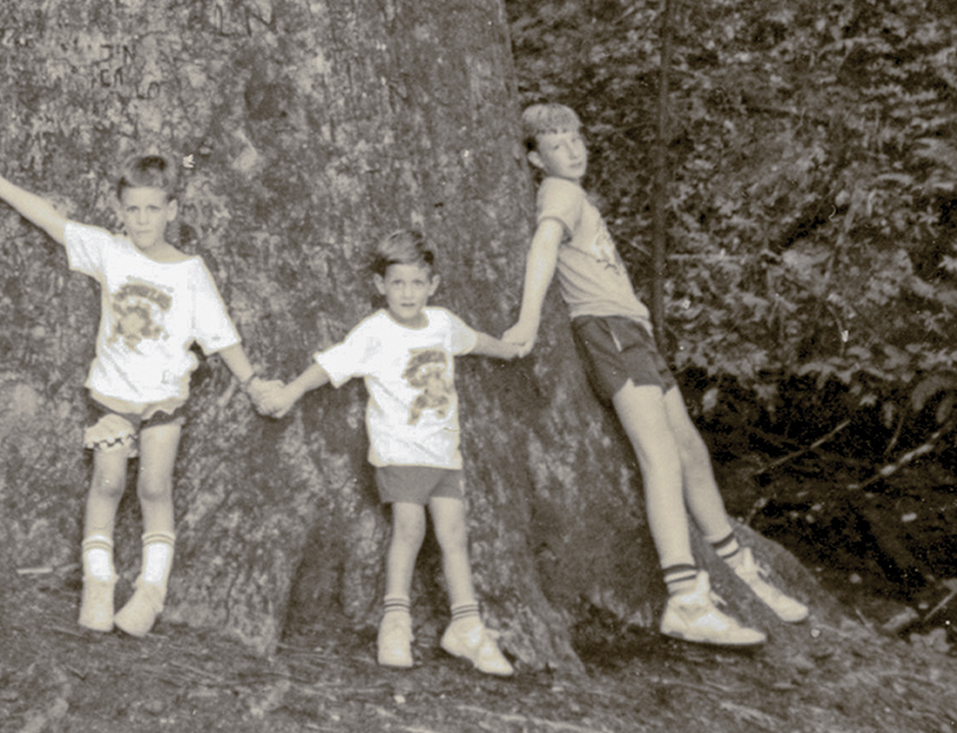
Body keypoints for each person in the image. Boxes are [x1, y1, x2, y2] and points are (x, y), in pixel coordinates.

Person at [503, 103, 807, 646]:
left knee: (690, 450)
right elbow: (544, 246)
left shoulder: (576, 194)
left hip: (632, 332)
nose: (572, 152)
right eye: (557, 146)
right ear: (535, 157)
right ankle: (686, 599)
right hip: (609, 333)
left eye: (576, 140)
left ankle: (737, 567)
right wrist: (527, 321)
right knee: (660, 455)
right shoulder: (560, 193)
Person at [0, 153, 271, 637]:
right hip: (113, 398)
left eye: (152, 209)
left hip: (163, 403)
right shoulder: (110, 251)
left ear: (172, 209)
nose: (141, 220)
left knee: (154, 488)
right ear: (119, 208)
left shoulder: (190, 271)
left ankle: (151, 589)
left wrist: (253, 382)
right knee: (108, 484)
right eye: (132, 209)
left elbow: (221, 335)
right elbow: (55, 221)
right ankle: (99, 581)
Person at [257, 230, 520, 676]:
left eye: (417, 283)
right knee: (410, 528)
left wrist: (510, 350)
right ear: (380, 285)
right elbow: (332, 363)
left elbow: (475, 341)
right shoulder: (375, 331)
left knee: (454, 535)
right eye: (397, 283)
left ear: (433, 285)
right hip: (401, 452)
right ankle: (395, 621)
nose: (408, 293)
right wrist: (292, 391)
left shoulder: (442, 323)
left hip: (444, 454)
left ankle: (467, 626)